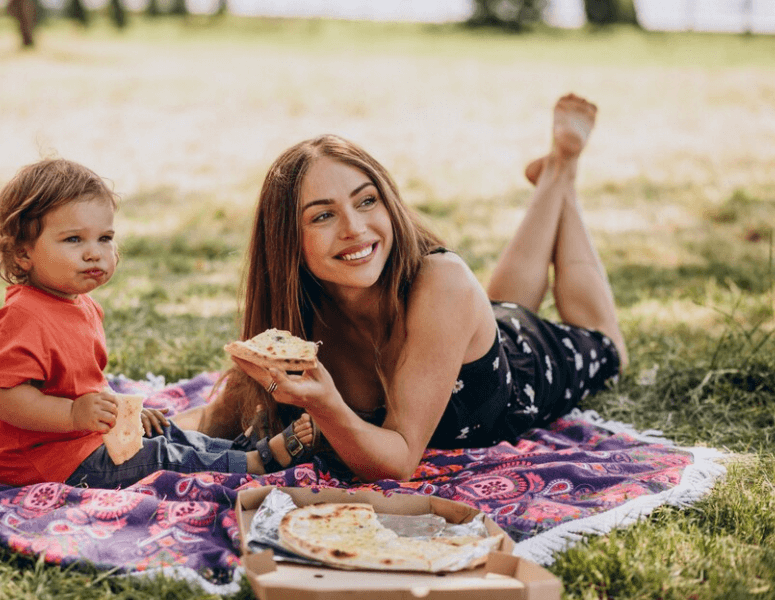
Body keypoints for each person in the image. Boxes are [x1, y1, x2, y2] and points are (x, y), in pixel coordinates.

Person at [178, 94, 628, 483]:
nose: (355, 228)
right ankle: (554, 176)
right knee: (497, 305)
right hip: (464, 328)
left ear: (388, 202)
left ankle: (561, 171)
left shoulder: (442, 283)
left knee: (607, 346)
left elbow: (399, 462)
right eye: (322, 215)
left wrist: (329, 407)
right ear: (286, 243)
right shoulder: (295, 320)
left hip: (524, 370)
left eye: (366, 200)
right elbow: (212, 420)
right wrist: (137, 425)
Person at [0, 158, 313, 489]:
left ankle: (242, 451)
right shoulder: (21, 318)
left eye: (104, 238)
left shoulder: (80, 305)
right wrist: (74, 414)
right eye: (74, 239)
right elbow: (1, 396)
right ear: (23, 253)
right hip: (44, 463)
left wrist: (119, 410)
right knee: (159, 456)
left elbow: (79, 383)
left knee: (162, 432)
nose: (94, 253)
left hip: (81, 439)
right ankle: (254, 465)